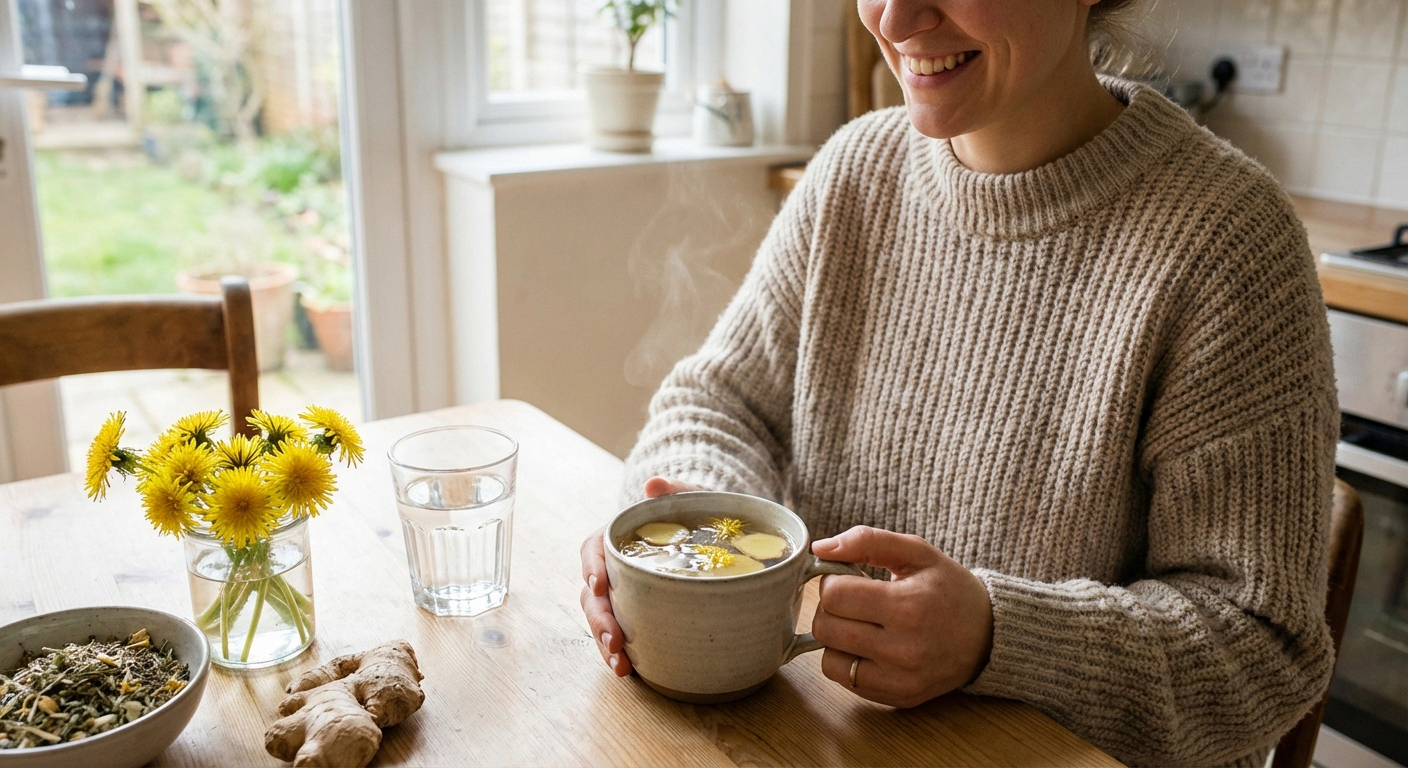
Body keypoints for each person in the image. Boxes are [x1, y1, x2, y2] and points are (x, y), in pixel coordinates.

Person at [579, 1, 1338, 765]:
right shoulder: (855, 171)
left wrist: (999, 636)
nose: (896, 17)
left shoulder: (1231, 241)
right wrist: (691, 547)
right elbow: (718, 404)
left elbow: (1263, 651)